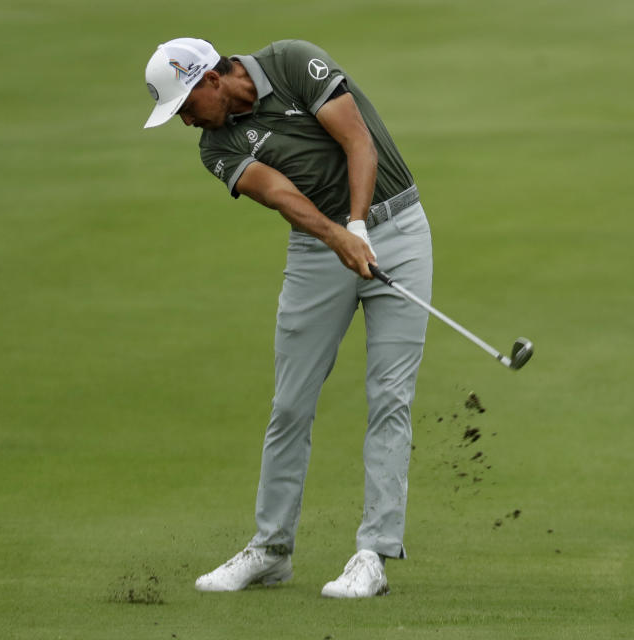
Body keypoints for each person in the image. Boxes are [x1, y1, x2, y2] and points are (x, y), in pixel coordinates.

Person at [142, 37, 432, 598]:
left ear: (210, 79)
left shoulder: (293, 63)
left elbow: (358, 140)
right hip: (316, 251)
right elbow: (278, 192)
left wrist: (360, 229)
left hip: (396, 230)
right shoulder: (214, 148)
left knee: (389, 397)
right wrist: (337, 236)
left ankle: (372, 554)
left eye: (184, 107)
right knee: (290, 403)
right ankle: (271, 550)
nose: (184, 122)